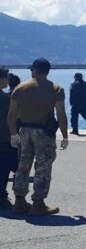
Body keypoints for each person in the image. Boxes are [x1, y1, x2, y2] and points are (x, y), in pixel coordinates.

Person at [8, 58, 69, 215]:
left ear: (35, 70)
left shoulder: (20, 88)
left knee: (22, 167)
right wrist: (64, 135)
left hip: (24, 131)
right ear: (47, 71)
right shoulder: (55, 89)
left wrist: (13, 133)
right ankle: (38, 203)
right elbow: (61, 114)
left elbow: (12, 115)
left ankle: (19, 201)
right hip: (43, 133)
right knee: (43, 167)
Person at [0, 68, 17, 210]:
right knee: (3, 168)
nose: (7, 80)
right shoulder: (5, 99)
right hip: (3, 138)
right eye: (6, 78)